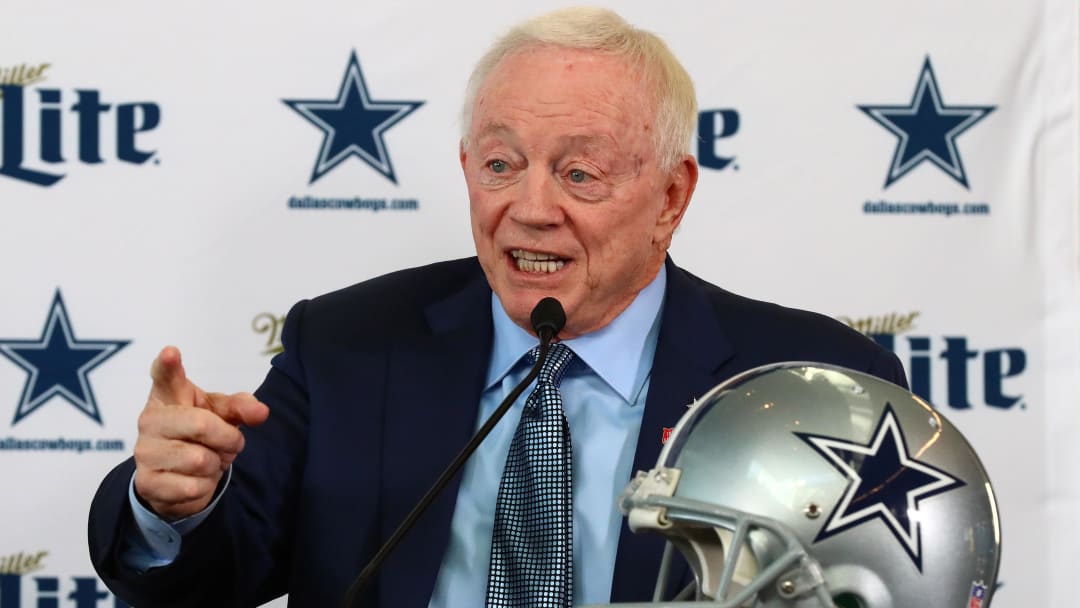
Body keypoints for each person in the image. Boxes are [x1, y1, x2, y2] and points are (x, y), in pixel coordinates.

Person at [88, 7, 907, 608]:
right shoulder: (344, 347)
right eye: (501, 164)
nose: (530, 207)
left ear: (670, 195)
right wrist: (170, 505)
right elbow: (205, 581)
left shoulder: (817, 385)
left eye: (579, 173)